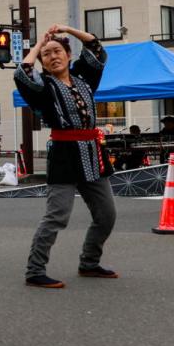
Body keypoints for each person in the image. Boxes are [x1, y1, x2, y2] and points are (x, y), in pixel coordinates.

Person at [14, 24, 117, 288]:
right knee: (57, 215)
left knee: (106, 215)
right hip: (63, 155)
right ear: (43, 63)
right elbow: (23, 73)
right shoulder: (43, 88)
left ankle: (89, 263)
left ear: (68, 55)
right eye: (46, 55)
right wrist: (38, 44)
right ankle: (34, 270)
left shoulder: (85, 78)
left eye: (57, 51)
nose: (53, 56)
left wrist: (69, 30)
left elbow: (96, 48)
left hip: (93, 154)